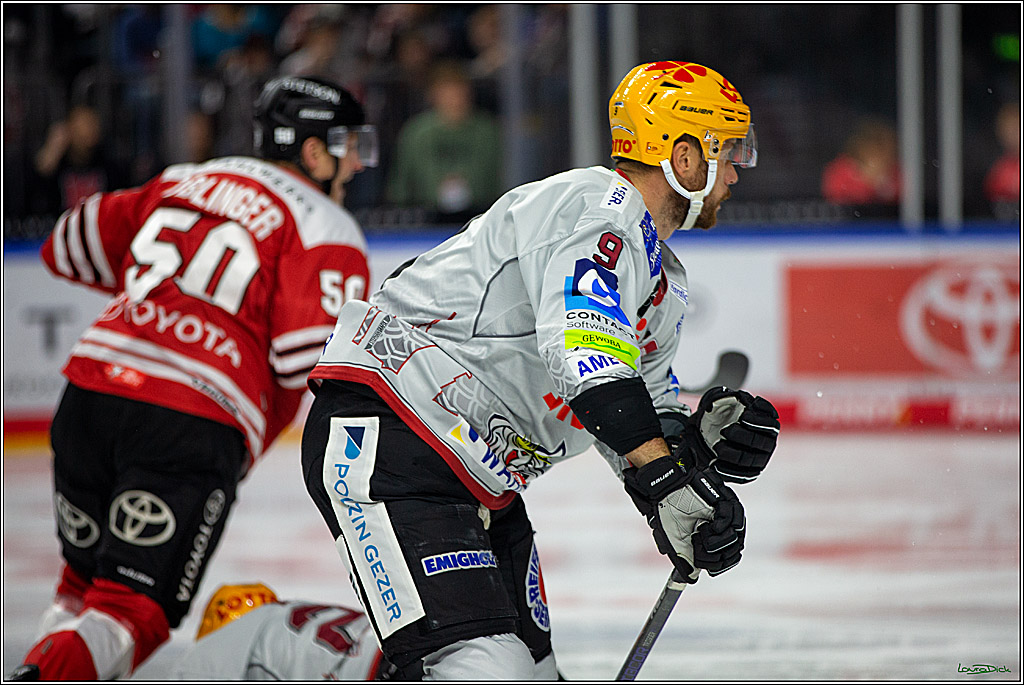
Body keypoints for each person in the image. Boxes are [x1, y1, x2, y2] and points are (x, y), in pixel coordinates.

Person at [301, 61, 780, 679]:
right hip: (393, 439)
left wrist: (696, 448)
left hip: (481, 481)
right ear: (684, 158)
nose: (739, 170)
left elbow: (636, 412)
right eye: (731, 150)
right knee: (483, 670)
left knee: (529, 672)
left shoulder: (660, 281)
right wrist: (665, 478)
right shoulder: (593, 210)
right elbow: (587, 357)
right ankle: (294, 651)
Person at [9, 76, 378, 682]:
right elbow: (312, 360)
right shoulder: (325, 224)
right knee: (133, 607)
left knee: (82, 582)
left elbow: (67, 245)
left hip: (89, 396)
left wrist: (168, 298)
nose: (360, 162)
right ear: (313, 152)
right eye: (350, 144)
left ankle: (43, 664)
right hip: (188, 420)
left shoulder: (188, 178)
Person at [172, 583, 390, 680]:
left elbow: (198, 674)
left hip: (379, 669)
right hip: (397, 641)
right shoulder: (293, 612)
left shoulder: (222, 649)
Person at [387, 61, 502, 224]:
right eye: (446, 91)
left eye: (458, 90)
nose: (454, 98)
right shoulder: (417, 132)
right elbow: (401, 186)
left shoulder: (487, 131)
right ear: (433, 94)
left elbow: (500, 179)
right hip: (425, 220)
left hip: (481, 218)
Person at [30, 104, 128, 216]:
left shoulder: (107, 164)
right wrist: (52, 151)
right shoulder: (59, 164)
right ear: (69, 130)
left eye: (91, 124)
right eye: (82, 125)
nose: (88, 131)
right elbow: (35, 193)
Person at [820, 117, 901, 207]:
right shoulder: (839, 173)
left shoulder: (897, 174)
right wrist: (868, 182)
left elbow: (906, 202)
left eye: (889, 149)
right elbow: (837, 203)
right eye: (878, 147)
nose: (886, 154)